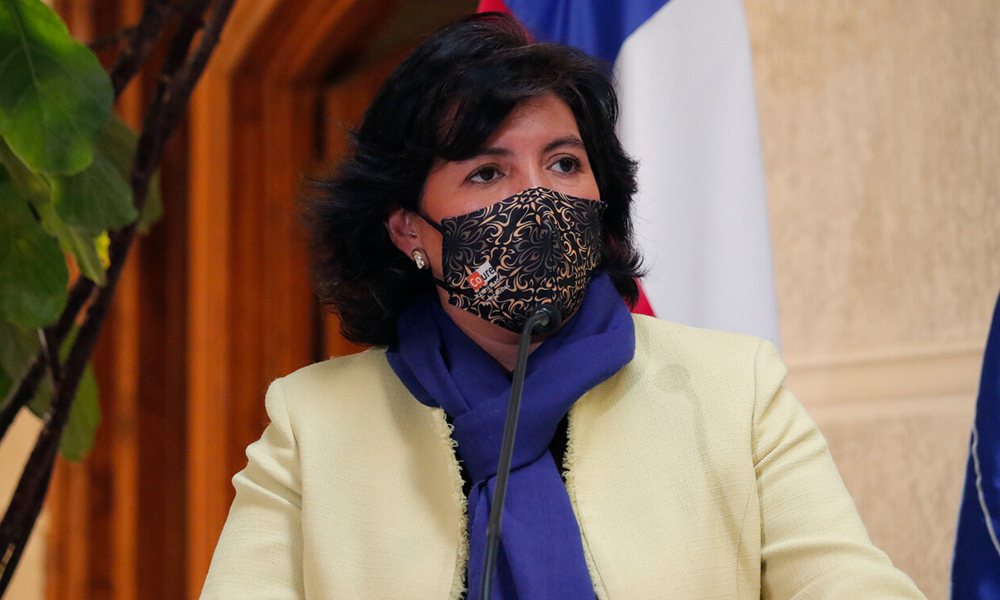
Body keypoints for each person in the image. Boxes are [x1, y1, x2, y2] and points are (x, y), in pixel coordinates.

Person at [200, 13, 926, 600]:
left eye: (564, 163)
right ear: (407, 230)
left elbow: (847, 583)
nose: (537, 198)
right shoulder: (314, 424)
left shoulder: (735, 390)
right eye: (487, 171)